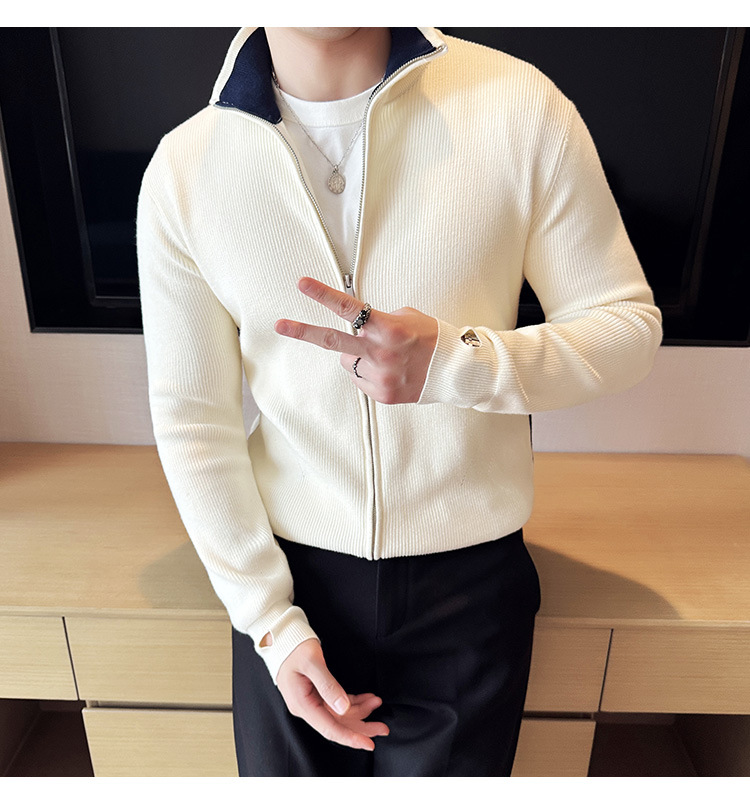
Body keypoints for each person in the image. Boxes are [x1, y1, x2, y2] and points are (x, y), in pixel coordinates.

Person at [136, 27, 662, 776]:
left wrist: (456, 361)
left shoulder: (519, 106)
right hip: (289, 585)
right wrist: (268, 621)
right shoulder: (185, 167)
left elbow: (627, 327)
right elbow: (194, 419)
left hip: (470, 591)